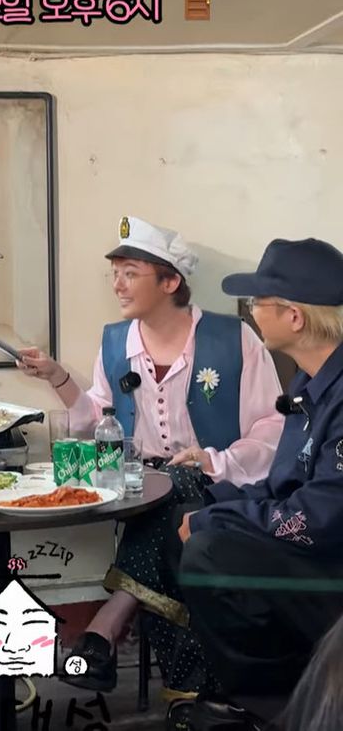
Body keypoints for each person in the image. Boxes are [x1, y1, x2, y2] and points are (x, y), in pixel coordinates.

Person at [18, 216, 283, 700]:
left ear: (169, 281)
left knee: (176, 498)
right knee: (168, 507)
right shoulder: (116, 342)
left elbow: (272, 425)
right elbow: (97, 420)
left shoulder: (234, 339)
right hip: (141, 485)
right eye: (114, 273)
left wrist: (215, 460)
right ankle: (189, 697)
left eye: (130, 273)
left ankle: (106, 626)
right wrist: (57, 376)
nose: (117, 284)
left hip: (220, 483)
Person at [177, 238, 343, 731]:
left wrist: (215, 520)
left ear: (295, 316)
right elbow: (283, 484)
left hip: (331, 561)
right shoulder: (309, 384)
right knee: (181, 515)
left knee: (208, 552)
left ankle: (274, 705)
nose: (250, 311)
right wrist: (213, 503)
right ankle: (261, 685)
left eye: (257, 301)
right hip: (316, 549)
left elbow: (317, 518)